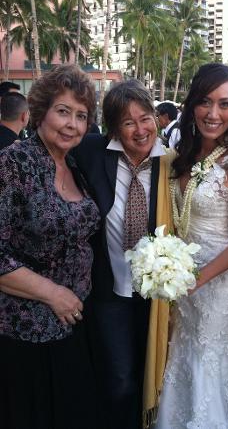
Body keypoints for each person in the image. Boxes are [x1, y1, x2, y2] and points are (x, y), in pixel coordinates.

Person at [155, 63, 228, 429]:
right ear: (191, 105)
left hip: (218, 281)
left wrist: (197, 279)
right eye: (204, 102)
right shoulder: (182, 156)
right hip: (182, 276)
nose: (212, 113)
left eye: (224, 104)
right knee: (185, 348)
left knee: (209, 351)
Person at [0, 64, 101, 429]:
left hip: (73, 329)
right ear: (39, 112)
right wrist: (52, 293)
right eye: (63, 111)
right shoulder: (14, 162)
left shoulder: (74, 164)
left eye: (81, 115)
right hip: (25, 333)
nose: (72, 124)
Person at [73, 79, 172, 429]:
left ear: (157, 119)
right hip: (109, 291)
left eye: (145, 118)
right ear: (114, 127)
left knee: (155, 374)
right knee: (119, 380)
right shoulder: (90, 151)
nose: (140, 129)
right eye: (128, 122)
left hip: (159, 294)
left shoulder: (172, 165)